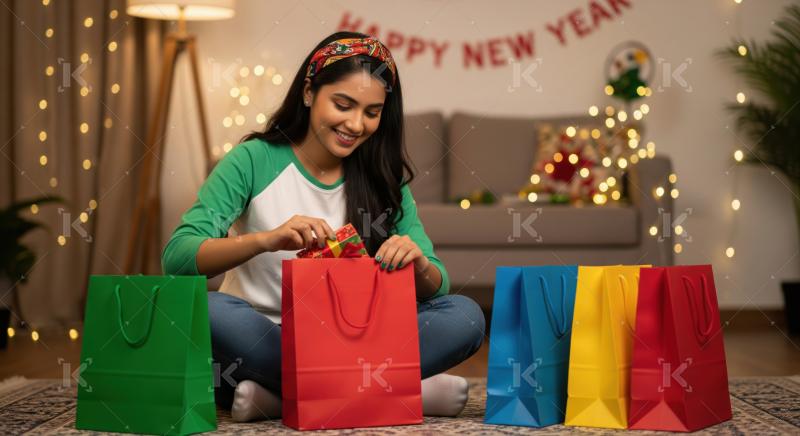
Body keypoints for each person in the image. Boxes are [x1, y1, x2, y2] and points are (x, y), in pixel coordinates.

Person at [162, 31, 485, 423]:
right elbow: (177, 257)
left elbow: (440, 286)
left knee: (465, 315)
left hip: (364, 340)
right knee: (209, 311)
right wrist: (265, 240)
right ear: (309, 92)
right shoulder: (253, 160)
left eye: (372, 112)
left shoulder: (383, 176)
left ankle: (285, 399)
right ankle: (400, 392)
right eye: (343, 104)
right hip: (270, 336)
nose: (356, 124)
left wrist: (417, 264)